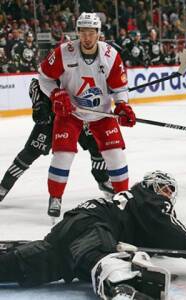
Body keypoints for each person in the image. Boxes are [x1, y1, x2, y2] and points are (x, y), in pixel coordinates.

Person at [0, 171, 186, 299]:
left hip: (69, 232)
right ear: (151, 185)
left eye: (170, 191)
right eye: (163, 188)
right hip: (94, 227)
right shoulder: (147, 198)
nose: (166, 194)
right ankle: (121, 286)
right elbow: (166, 228)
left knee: (22, 264)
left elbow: (155, 238)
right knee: (104, 257)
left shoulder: (130, 206)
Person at [38, 12, 136, 217]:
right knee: (63, 155)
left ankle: (122, 196)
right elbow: (44, 77)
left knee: (115, 154)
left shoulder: (110, 55)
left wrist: (122, 106)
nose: (87, 37)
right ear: (77, 33)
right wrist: (55, 93)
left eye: (92, 32)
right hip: (70, 112)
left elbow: (120, 88)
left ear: (99, 33)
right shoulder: (65, 51)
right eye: (83, 32)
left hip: (101, 113)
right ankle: (55, 197)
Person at [0, 79, 113, 202]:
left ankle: (103, 181)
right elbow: (39, 110)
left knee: (97, 146)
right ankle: (3, 187)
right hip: (51, 124)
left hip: (77, 119)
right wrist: (41, 108)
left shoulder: (76, 72)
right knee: (29, 154)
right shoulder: (44, 80)